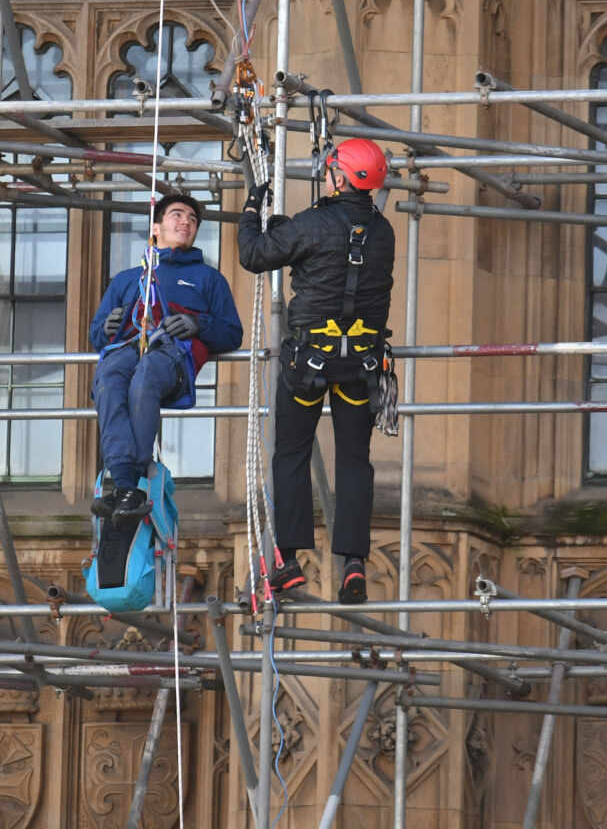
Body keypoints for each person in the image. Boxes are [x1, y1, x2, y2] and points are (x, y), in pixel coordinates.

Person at [238, 138, 396, 605]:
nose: (325, 176)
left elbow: (255, 254)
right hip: (360, 365)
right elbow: (337, 244)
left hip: (308, 361)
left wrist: (252, 208)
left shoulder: (312, 225)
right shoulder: (384, 231)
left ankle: (286, 559)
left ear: (340, 177)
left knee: (291, 453)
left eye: (330, 171)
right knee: (353, 461)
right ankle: (352, 564)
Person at [89, 194, 242, 528]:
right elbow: (97, 336)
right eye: (176, 215)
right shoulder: (128, 281)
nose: (186, 221)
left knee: (145, 375)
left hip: (174, 356)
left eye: (192, 218)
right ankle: (123, 481)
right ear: (155, 227)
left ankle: (136, 476)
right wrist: (109, 327)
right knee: (109, 377)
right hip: (128, 350)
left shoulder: (209, 279)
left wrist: (199, 325)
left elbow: (232, 333)